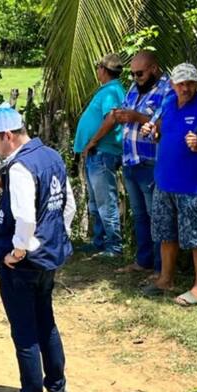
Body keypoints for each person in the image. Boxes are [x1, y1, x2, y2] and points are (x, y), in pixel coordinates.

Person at [0, 104, 77, 392]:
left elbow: (26, 218)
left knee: (24, 330)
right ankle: (57, 387)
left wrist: (17, 252)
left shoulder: (20, 168)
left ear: (8, 135)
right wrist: (54, 238)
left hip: (23, 261)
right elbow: (68, 206)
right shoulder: (51, 156)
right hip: (48, 256)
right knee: (45, 319)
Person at [87, 51, 172, 274]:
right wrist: (121, 115)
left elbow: (168, 123)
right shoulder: (135, 87)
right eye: (132, 74)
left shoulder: (168, 89)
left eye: (139, 73)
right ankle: (143, 262)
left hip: (151, 161)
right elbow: (126, 111)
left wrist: (137, 117)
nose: (135, 78)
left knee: (156, 217)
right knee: (140, 215)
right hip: (131, 160)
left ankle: (160, 269)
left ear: (153, 68)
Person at [141, 63, 197, 306]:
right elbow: (163, 130)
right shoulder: (168, 103)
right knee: (165, 235)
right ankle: (165, 280)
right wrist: (153, 131)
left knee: (196, 238)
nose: (186, 88)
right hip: (164, 182)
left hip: (191, 186)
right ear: (173, 84)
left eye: (191, 83)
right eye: (181, 83)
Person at [74, 53, 126, 257]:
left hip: (103, 152)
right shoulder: (108, 90)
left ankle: (113, 246)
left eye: (98, 68)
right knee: (96, 202)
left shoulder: (112, 91)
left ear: (103, 70)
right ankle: (100, 242)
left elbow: (112, 117)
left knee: (105, 201)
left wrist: (93, 141)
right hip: (98, 153)